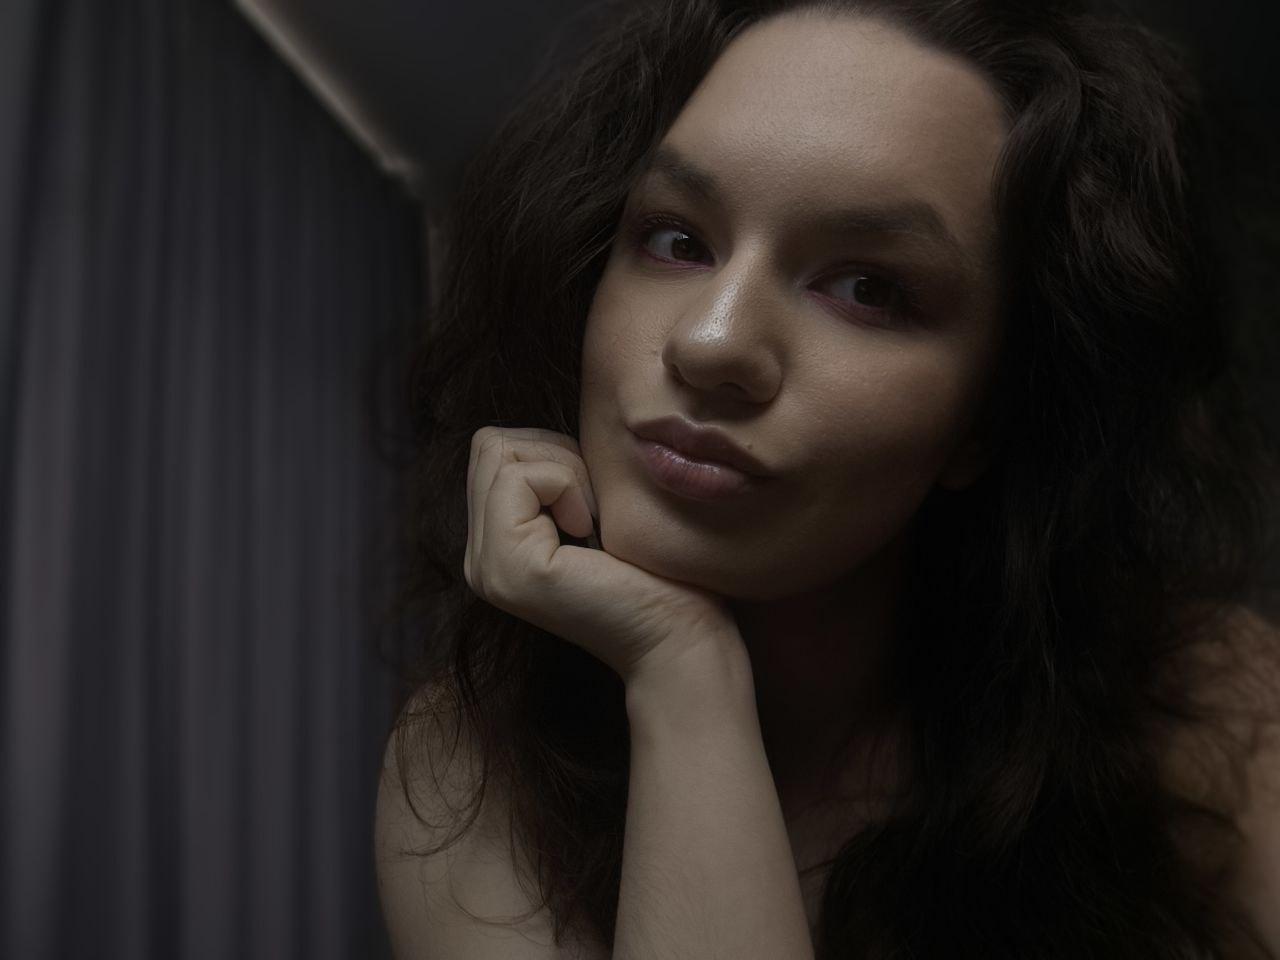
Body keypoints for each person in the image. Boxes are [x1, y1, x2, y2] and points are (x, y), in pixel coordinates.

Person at [373, 0, 1280, 957]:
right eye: (677, 240)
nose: (710, 343)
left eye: (866, 290)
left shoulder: (1216, 708)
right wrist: (682, 675)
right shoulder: (472, 763)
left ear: (991, 415)